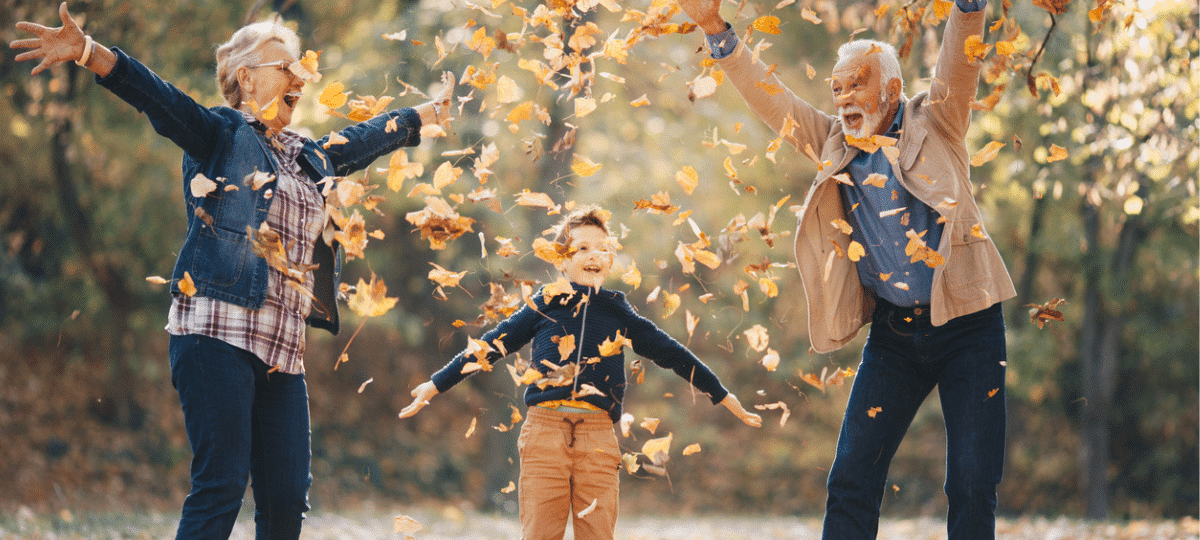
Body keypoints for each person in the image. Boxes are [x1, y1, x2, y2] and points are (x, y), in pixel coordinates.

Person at [10, 4, 454, 539]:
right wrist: (89, 52)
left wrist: (425, 115)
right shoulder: (222, 134)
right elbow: (161, 99)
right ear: (245, 77)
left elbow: (361, 138)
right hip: (215, 332)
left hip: (282, 353)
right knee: (221, 484)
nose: (299, 77)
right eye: (284, 66)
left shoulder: (310, 157)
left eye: (300, 69)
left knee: (287, 500)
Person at [676, 0, 1015, 539]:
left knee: (972, 484)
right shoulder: (832, 142)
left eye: (857, 85)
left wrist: (969, 9)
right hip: (895, 338)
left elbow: (960, 61)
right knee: (852, 478)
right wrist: (716, 28)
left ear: (893, 91)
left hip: (969, 326)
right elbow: (773, 100)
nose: (844, 99)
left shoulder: (937, 121)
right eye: (837, 89)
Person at [399, 205, 762, 540]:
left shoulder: (619, 313)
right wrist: (435, 384)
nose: (593, 255)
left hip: (598, 440)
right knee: (541, 533)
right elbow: (491, 345)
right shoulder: (542, 304)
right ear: (561, 261)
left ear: (610, 260)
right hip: (544, 435)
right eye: (582, 248)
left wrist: (723, 395)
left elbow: (673, 353)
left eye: (602, 249)